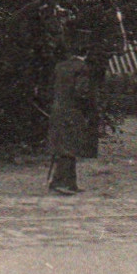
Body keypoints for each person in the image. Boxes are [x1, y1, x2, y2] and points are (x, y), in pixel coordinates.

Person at [45, 31, 96, 195]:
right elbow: (81, 92)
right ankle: (65, 184)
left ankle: (63, 182)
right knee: (70, 146)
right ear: (85, 52)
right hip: (73, 111)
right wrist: (89, 109)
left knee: (62, 145)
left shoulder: (60, 66)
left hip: (57, 110)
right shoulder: (82, 68)